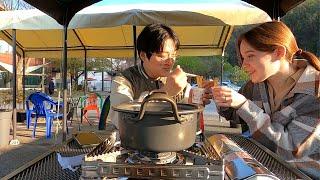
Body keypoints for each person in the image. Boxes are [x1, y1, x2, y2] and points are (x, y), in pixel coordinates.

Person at [211, 21, 319, 178]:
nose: (243, 65)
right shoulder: (255, 85)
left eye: (250, 56)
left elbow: (289, 150)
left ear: (279, 53)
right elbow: (237, 117)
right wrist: (222, 99)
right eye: (242, 57)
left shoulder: (315, 92)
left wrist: (243, 104)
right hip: (269, 168)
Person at [108, 23, 189, 128]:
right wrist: (164, 93)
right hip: (134, 141)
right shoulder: (124, 80)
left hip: (170, 139)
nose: (170, 61)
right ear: (143, 55)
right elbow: (121, 119)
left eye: (173, 55)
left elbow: (185, 120)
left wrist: (194, 99)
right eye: (162, 55)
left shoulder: (175, 80)